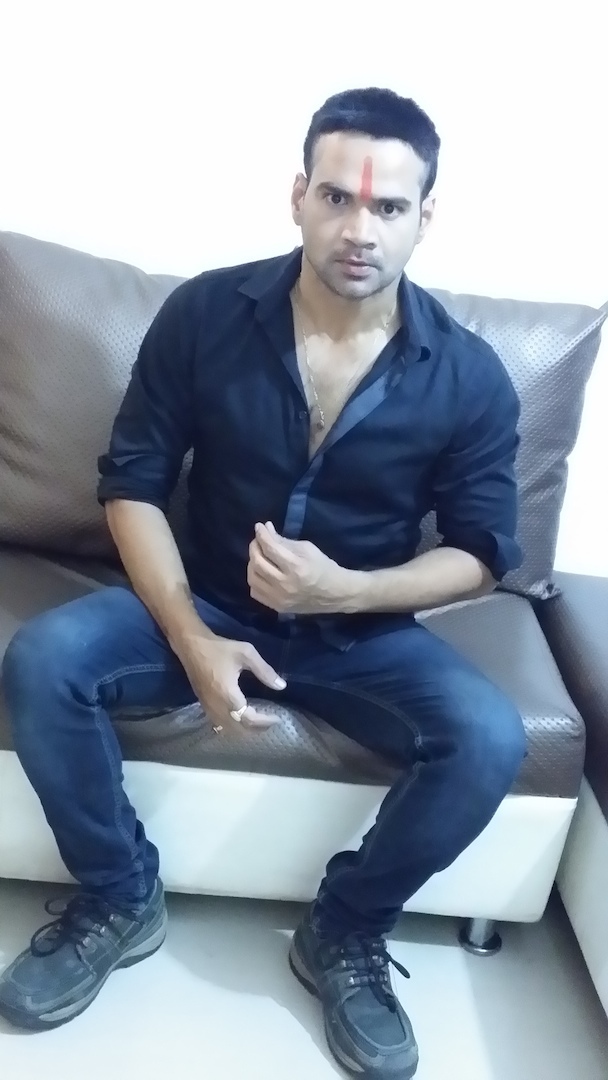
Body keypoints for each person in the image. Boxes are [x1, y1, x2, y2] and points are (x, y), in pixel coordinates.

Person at [0, 86, 526, 1079]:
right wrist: (192, 638)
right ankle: (119, 896)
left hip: (361, 629)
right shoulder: (207, 314)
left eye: (387, 206)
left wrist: (345, 591)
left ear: (425, 218)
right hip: (202, 599)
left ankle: (344, 928)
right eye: (337, 197)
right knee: (45, 659)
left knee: (489, 737)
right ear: (297, 196)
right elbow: (133, 483)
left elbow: (480, 552)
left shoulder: (467, 376)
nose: (358, 228)